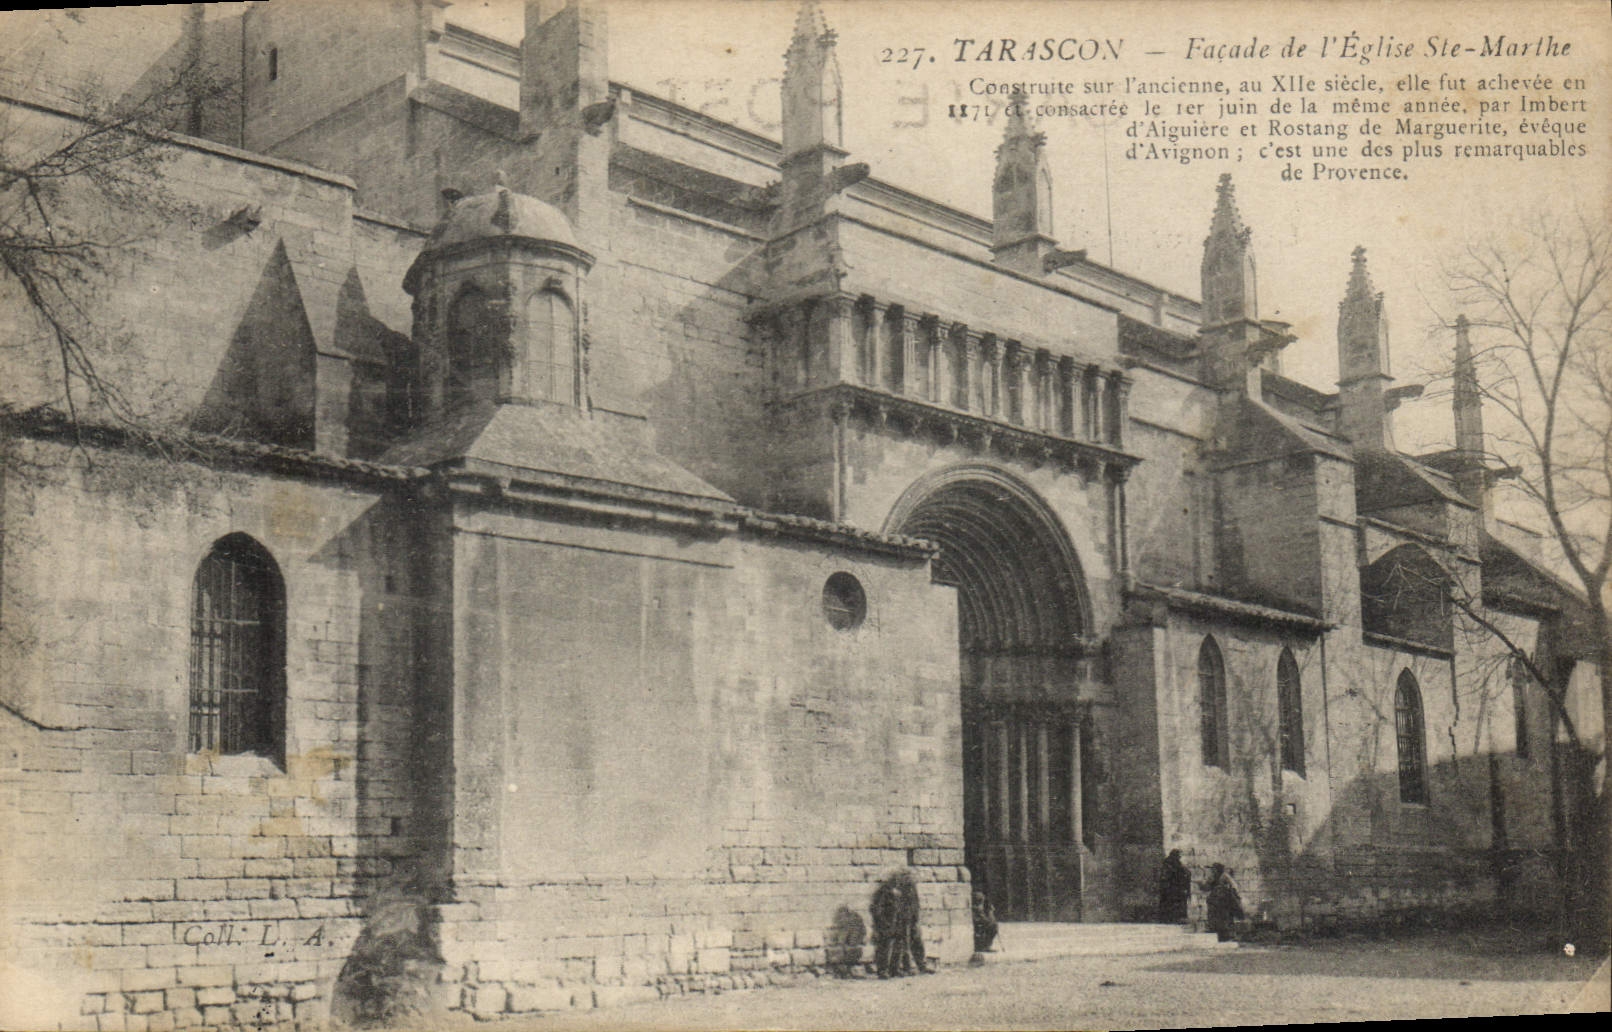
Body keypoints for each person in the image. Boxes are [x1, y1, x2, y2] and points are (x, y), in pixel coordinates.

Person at [1202, 863, 1244, 942]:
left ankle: (1227, 935)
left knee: (1226, 918)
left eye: (1214, 869)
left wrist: (1227, 890)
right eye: (1212, 869)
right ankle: (1216, 932)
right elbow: (1207, 887)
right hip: (1215, 902)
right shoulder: (1213, 877)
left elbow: (1234, 887)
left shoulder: (1225, 877)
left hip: (1225, 902)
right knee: (1215, 917)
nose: (1213, 871)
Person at [1158, 849, 1192, 923]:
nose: (1179, 857)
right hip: (1172, 888)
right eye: (1178, 855)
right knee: (1171, 903)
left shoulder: (1176, 863)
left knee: (1174, 903)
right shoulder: (1170, 864)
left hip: (1175, 888)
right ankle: (1172, 918)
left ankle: (1173, 917)